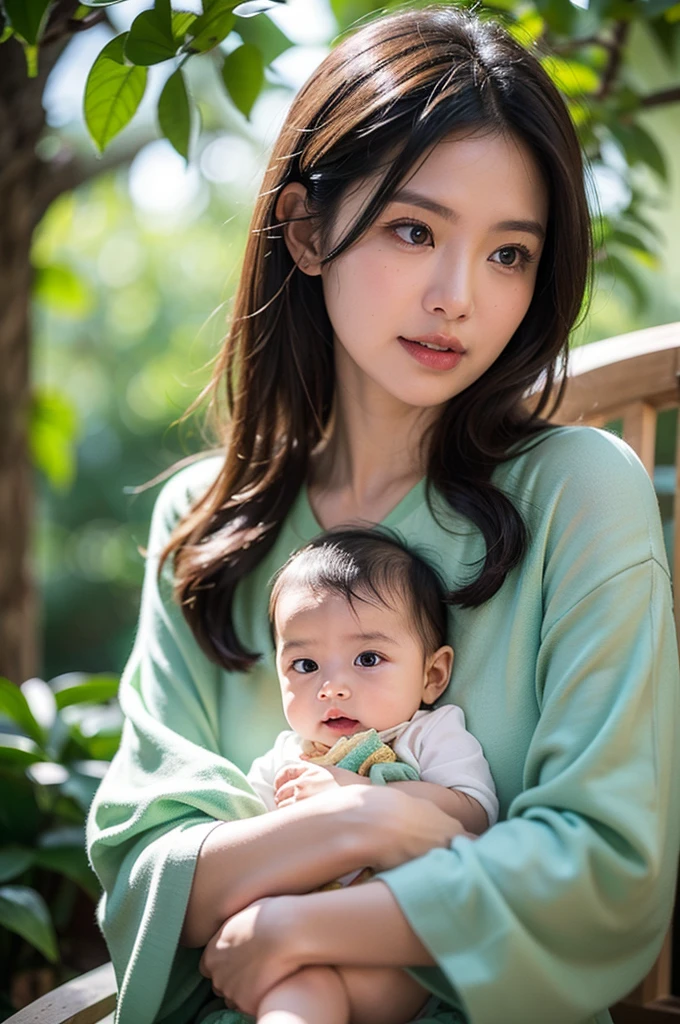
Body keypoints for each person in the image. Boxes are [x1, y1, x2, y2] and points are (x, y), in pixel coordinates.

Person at [86, 5, 680, 1024]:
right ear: (308, 229)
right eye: (413, 230)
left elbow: (603, 868)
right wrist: (383, 825)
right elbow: (145, 873)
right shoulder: (204, 524)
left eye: (508, 254)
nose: (457, 294)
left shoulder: (580, 490)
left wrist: (296, 924)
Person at [245, 527, 499, 1023]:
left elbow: (476, 816)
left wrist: (362, 795)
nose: (332, 687)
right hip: (300, 948)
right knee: (299, 993)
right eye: (304, 664)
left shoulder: (427, 735)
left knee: (354, 987)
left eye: (368, 659)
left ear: (432, 676)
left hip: (395, 948)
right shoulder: (285, 758)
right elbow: (244, 838)